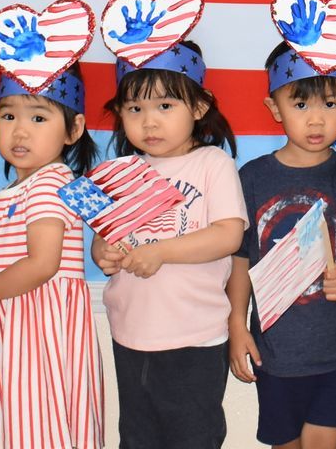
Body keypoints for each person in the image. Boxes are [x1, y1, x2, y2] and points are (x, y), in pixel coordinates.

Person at [93, 40, 247, 449]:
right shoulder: (121, 171)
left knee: (193, 438)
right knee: (137, 438)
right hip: (130, 332)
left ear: (198, 107)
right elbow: (102, 240)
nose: (149, 122)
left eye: (165, 106)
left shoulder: (213, 163)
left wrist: (160, 252)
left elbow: (228, 235)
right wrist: (103, 252)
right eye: (135, 109)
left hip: (193, 338)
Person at [228, 43, 336, 449]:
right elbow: (241, 258)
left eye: (330, 104)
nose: (316, 119)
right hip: (274, 353)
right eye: (299, 105)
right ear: (274, 108)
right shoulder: (254, 177)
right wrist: (236, 324)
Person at [0, 65, 102, 449]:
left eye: (38, 117)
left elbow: (42, 264)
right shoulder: (8, 193)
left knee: (33, 423)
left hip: (33, 327)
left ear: (74, 129)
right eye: (8, 115)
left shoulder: (51, 182)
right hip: (8, 321)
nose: (20, 130)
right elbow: (1, 258)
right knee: (9, 421)